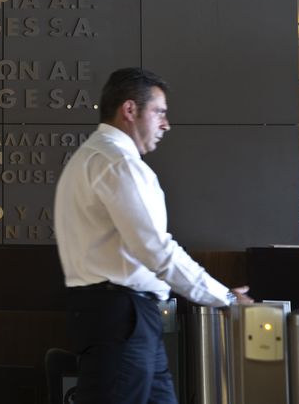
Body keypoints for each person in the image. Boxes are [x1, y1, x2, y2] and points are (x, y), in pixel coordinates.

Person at [53, 67, 252, 404]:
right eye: (159, 112)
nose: (166, 124)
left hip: (116, 316)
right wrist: (224, 298)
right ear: (129, 110)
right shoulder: (118, 164)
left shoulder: (89, 159)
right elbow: (156, 250)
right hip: (123, 319)